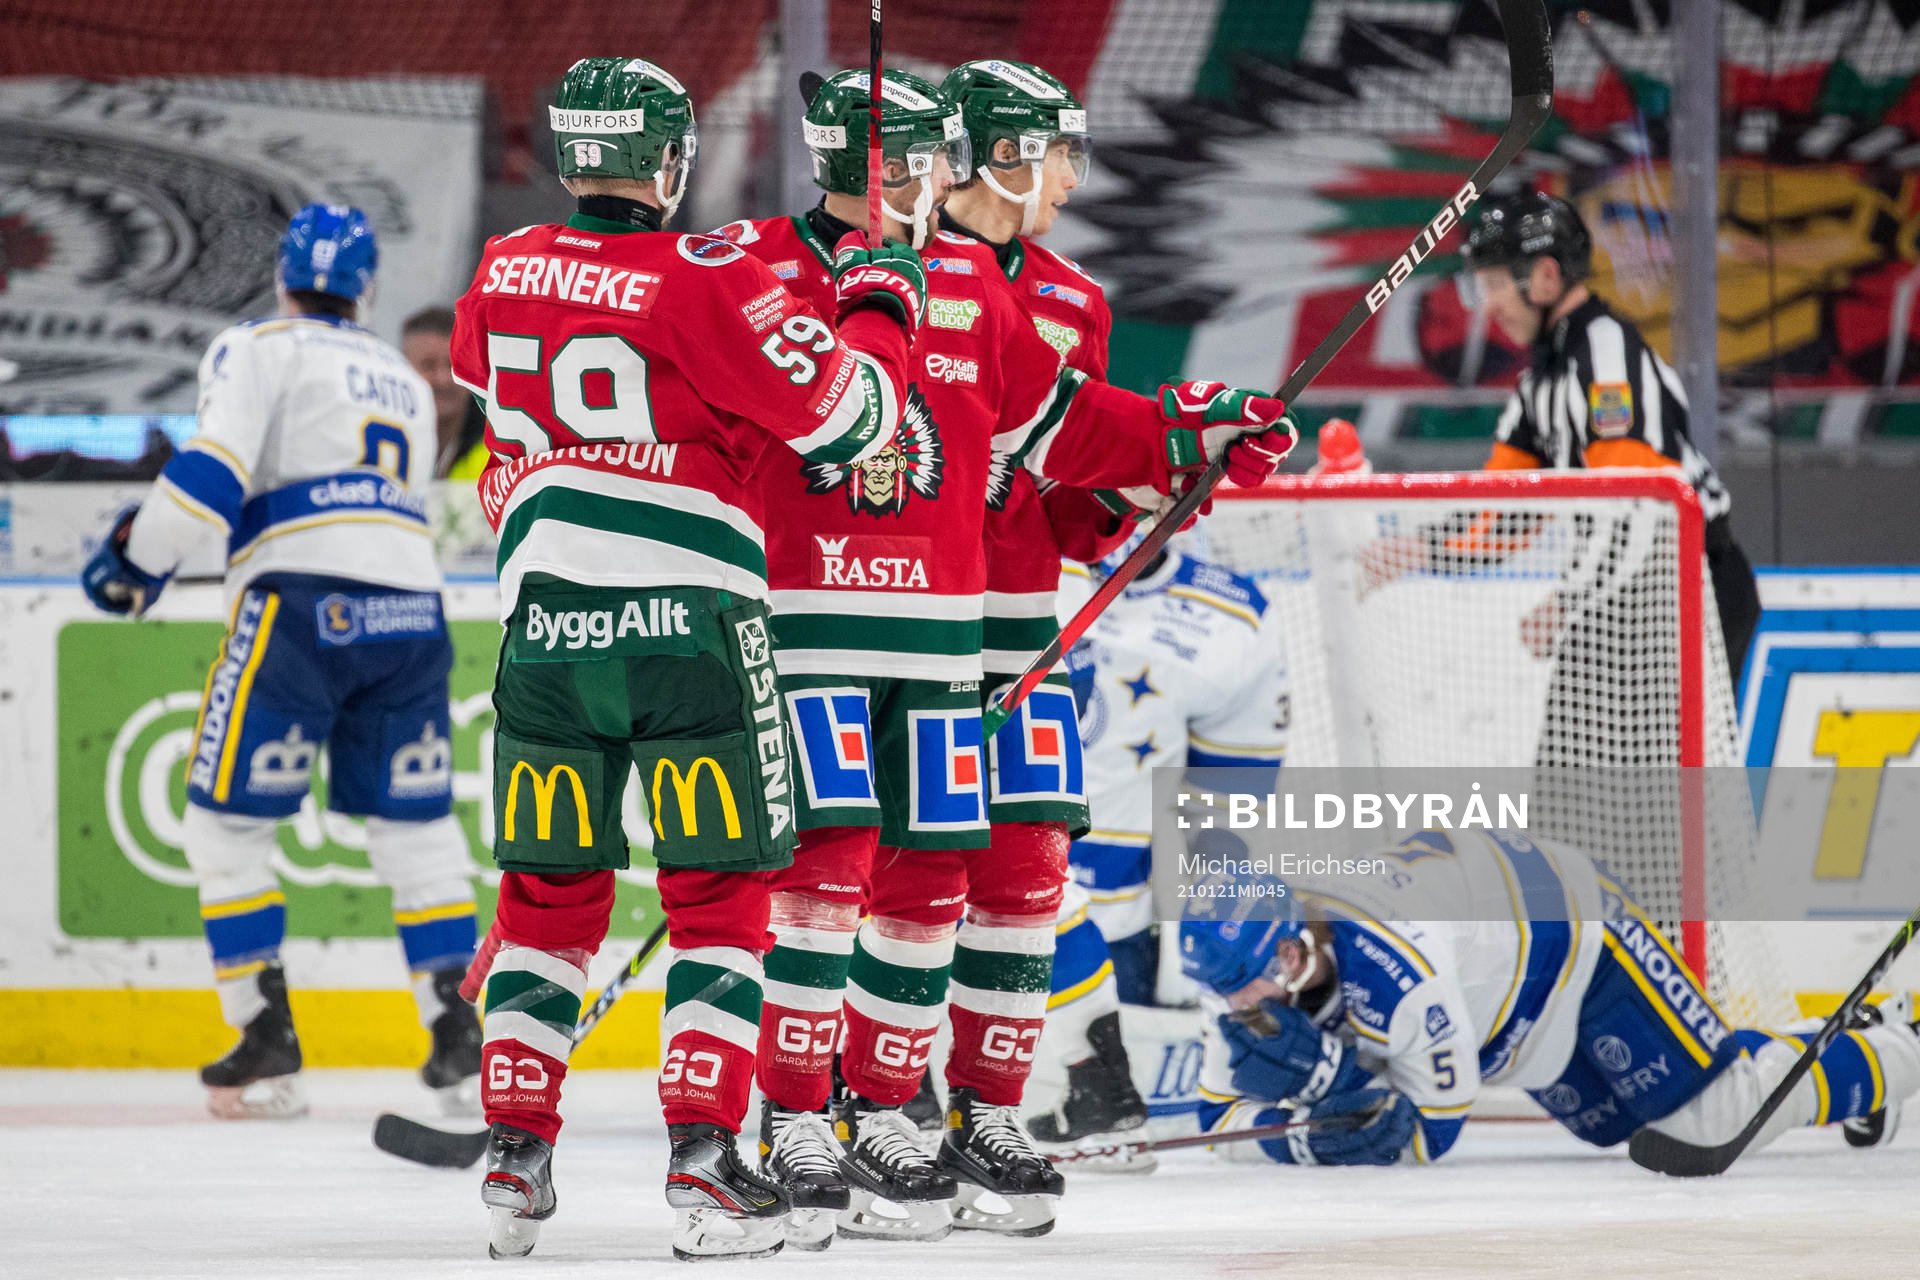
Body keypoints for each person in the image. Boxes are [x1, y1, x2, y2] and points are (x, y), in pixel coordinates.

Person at [715, 64, 1297, 1244]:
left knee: (1015, 876)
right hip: (830, 621)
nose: (1075, 178)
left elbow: (1076, 441)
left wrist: (1188, 445)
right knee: (835, 877)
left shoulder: (1010, 293)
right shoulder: (770, 273)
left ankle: (962, 1108)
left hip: (997, 627)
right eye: (1056, 150)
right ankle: (813, 1105)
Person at [448, 56, 925, 1262]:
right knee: (718, 902)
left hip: (543, 631)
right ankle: (708, 1166)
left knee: (547, 903)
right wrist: (879, 290)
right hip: (691, 628)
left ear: (569, 156)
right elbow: (856, 415)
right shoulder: (708, 275)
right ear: (669, 162)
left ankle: (513, 1157)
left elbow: (491, 382)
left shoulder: (500, 273)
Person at [80, 203, 482, 1121]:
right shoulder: (405, 379)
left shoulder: (258, 347)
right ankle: (460, 1045)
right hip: (412, 610)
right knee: (417, 834)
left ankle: (265, 1045)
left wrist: (136, 563)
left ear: (282, 277)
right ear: (367, 288)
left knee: (225, 832)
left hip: (300, 607)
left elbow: (214, 476)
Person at [1177, 829, 1920, 1167]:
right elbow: (1216, 1122)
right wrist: (1308, 1115)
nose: (1238, 1005)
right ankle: (1836, 1038)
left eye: (1247, 981)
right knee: (1619, 1129)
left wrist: (1314, 1100)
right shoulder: (1237, 976)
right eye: (1224, 989)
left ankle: (1901, 1042)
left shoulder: (1397, 970)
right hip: (1510, 1005)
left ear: (1288, 949)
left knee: (1706, 1122)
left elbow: (1424, 1136)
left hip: (1578, 936)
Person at [1029, 536, 1290, 1146]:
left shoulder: (1228, 615)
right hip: (950, 908)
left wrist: (1207, 953)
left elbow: (1231, 808)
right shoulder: (983, 548)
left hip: (1114, 940)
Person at [1459, 191, 1762, 686]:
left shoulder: (1605, 354)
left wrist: (1566, 602)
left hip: (1688, 590)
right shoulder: (1541, 380)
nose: (1487, 304)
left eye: (1494, 283)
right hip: (1615, 594)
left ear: (1547, 276)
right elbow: (1503, 514)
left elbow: (1639, 507)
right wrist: (1412, 547)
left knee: (1667, 764)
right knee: (1565, 764)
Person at [399, 306, 489, 480]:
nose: (443, 379)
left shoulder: (495, 457)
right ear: (402, 367)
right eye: (428, 365)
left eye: (454, 366)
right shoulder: (376, 442)